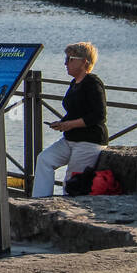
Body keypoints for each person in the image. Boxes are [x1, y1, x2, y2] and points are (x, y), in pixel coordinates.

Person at [33, 42, 108, 198]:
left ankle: (68, 214)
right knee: (45, 159)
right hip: (71, 139)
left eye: (70, 59)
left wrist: (70, 124)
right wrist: (62, 123)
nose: (65, 63)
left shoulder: (92, 83)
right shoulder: (75, 83)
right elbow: (75, 111)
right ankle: (40, 200)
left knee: (71, 180)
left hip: (89, 141)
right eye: (66, 58)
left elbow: (99, 115)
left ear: (84, 62)